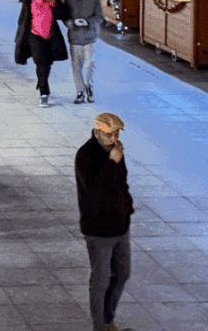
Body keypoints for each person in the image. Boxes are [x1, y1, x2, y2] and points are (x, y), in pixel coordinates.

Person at [76, 113, 135, 331]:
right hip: (98, 228)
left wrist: (126, 207)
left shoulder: (115, 150)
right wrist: (112, 162)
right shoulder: (85, 155)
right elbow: (94, 190)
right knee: (100, 279)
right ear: (97, 132)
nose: (113, 138)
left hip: (120, 224)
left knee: (122, 273)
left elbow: (121, 182)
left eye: (116, 134)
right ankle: (100, 326)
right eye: (109, 134)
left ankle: (108, 318)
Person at [14, 0, 69, 107]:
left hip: (50, 35)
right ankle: (44, 93)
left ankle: (41, 81)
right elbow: (23, 17)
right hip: (34, 34)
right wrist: (20, 34)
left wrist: (52, 2)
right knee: (41, 61)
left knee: (47, 63)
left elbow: (63, 14)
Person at [65, 0, 105, 104]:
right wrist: (70, 23)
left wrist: (88, 23)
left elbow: (99, 17)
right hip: (75, 37)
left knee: (89, 65)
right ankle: (80, 91)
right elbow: (65, 16)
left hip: (89, 37)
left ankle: (89, 86)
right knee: (76, 66)